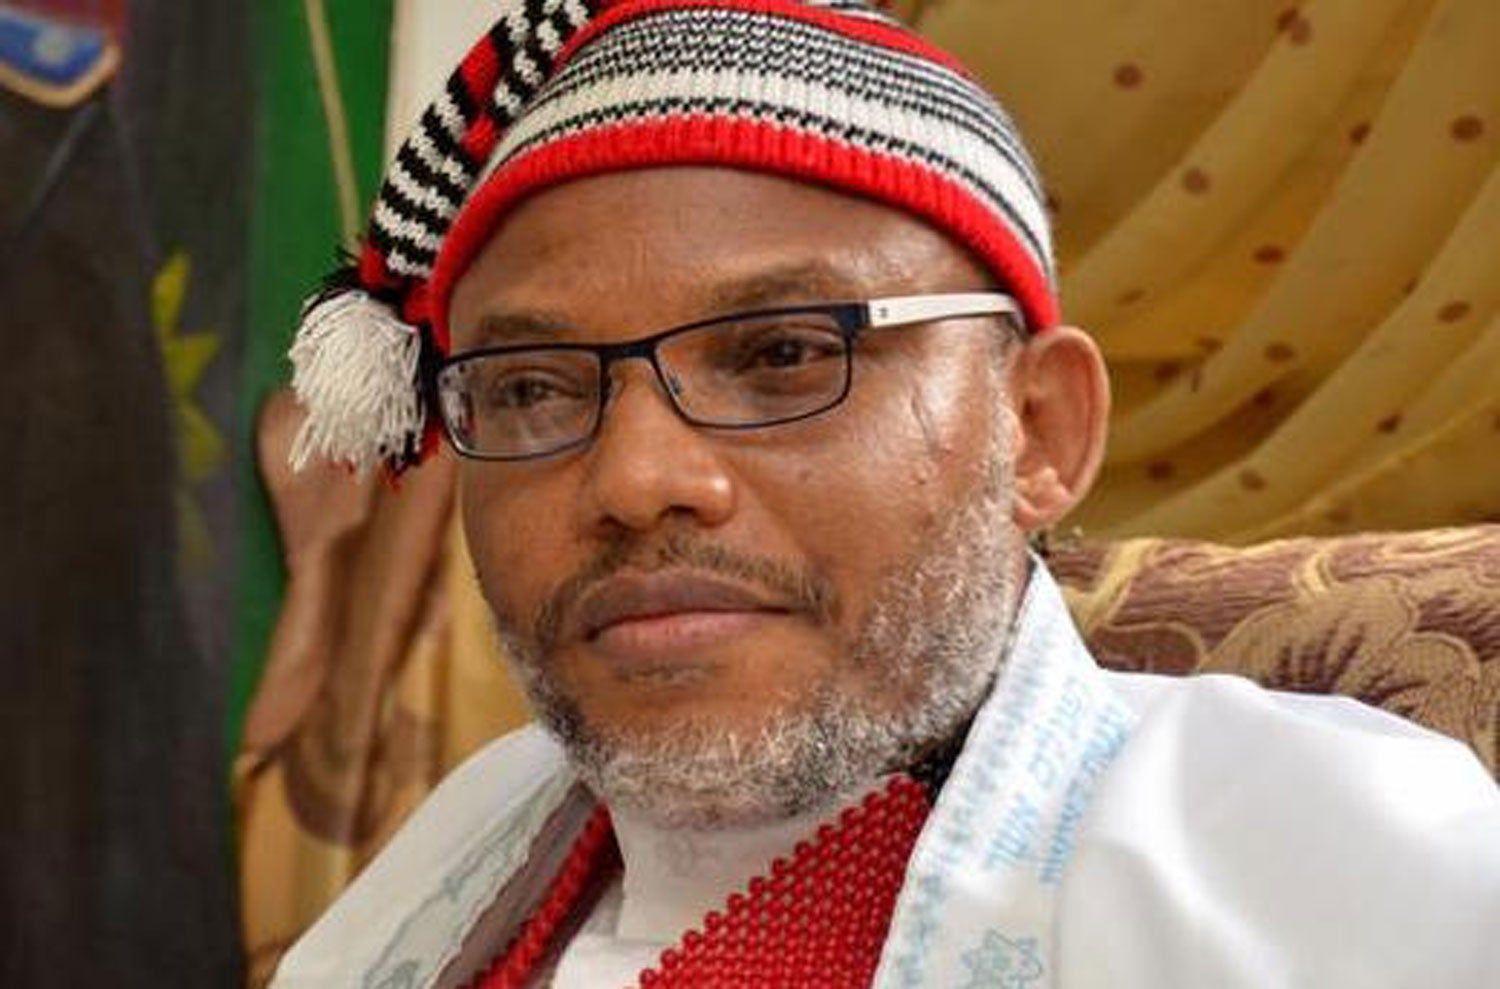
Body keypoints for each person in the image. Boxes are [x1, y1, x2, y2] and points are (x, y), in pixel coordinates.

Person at [271, 0, 1500, 985]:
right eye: (534, 389)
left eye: (783, 355)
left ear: (1039, 429)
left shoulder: (1321, 857)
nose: (639, 479)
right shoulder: (466, 843)